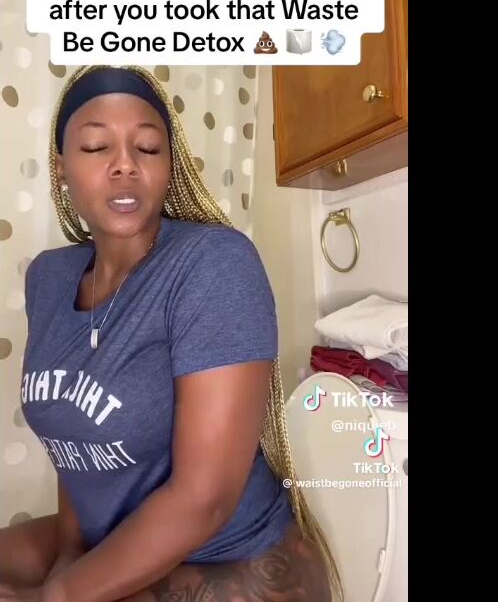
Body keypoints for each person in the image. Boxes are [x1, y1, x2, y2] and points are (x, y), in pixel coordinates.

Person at [0, 65, 342, 602]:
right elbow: (75, 441)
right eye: (95, 147)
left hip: (235, 557)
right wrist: (69, 554)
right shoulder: (49, 277)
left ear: (169, 165)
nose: (125, 165)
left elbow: (204, 500)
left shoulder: (214, 264)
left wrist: (55, 594)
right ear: (60, 167)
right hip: (114, 532)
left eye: (148, 148)